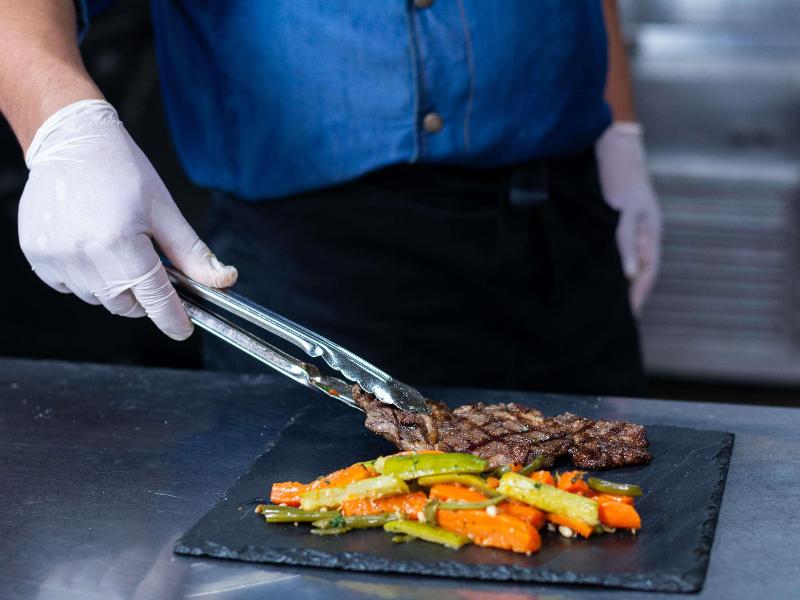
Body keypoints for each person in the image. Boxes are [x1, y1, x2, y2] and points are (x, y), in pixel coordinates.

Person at [1, 1, 661, 396]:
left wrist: (621, 131)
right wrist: (60, 123)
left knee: (612, 521)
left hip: (566, 227)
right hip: (313, 264)